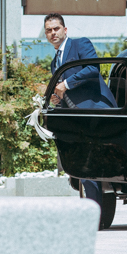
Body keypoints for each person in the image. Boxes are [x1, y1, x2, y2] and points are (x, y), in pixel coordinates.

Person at [45, 13, 116, 212]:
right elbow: (65, 91)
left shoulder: (80, 44)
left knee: (88, 165)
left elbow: (93, 68)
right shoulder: (54, 62)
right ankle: (94, 214)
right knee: (84, 167)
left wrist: (66, 84)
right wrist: (58, 98)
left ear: (65, 30)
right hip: (77, 120)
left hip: (95, 113)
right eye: (49, 30)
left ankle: (94, 215)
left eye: (56, 28)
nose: (53, 33)